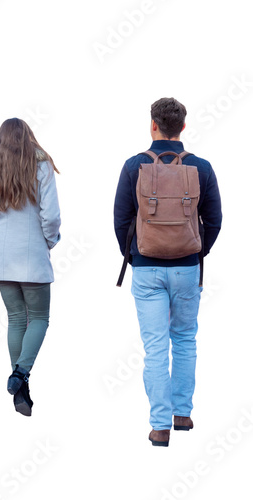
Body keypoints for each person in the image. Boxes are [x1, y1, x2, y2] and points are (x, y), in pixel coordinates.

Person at [114, 97, 222, 446]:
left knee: (156, 346)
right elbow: (215, 220)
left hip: (146, 269)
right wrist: (195, 249)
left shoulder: (134, 166)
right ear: (183, 127)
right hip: (187, 269)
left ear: (153, 125)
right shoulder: (202, 168)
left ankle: (160, 426)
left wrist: (134, 257)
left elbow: (120, 219)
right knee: (186, 339)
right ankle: (183, 415)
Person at [0, 118, 61, 417]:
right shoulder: (41, 165)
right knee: (38, 317)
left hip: (0, 258)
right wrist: (48, 242)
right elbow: (50, 217)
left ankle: (20, 389)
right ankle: (21, 374)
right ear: (28, 137)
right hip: (32, 255)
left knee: (15, 319)